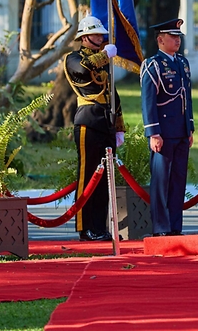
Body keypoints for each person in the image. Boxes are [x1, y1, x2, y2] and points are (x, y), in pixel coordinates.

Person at [64, 15, 123, 242]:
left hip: (105, 123)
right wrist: (104, 55)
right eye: (97, 34)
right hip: (88, 121)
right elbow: (83, 69)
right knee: (88, 177)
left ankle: (99, 227)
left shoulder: (104, 60)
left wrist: (119, 126)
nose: (101, 37)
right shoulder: (73, 57)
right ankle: (85, 226)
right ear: (85, 36)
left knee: (104, 181)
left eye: (102, 34)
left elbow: (112, 94)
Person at [141, 19, 194, 237]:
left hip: (180, 131)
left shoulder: (182, 63)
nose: (177, 40)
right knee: (161, 182)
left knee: (178, 181)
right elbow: (148, 101)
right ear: (160, 40)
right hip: (162, 132)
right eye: (173, 37)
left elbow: (186, 98)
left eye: (178, 36)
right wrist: (153, 133)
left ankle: (174, 226)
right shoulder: (153, 65)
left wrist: (189, 126)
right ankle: (161, 227)